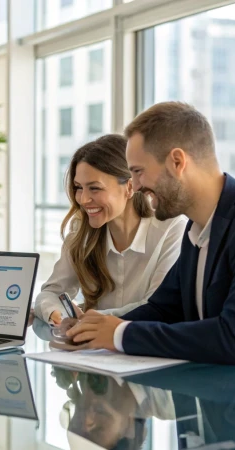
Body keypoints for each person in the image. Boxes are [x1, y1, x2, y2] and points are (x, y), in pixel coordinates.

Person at [67, 101, 235, 365]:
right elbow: (164, 309)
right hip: (229, 394)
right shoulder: (197, 231)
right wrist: (99, 327)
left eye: (138, 172)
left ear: (177, 162)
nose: (134, 186)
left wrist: (120, 334)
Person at [34, 135, 186, 325]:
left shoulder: (172, 229)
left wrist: (92, 319)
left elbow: (156, 307)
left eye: (95, 188)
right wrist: (55, 314)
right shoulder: (82, 232)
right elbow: (50, 292)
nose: (82, 199)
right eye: (79, 188)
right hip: (93, 350)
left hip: (146, 349)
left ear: (129, 187)